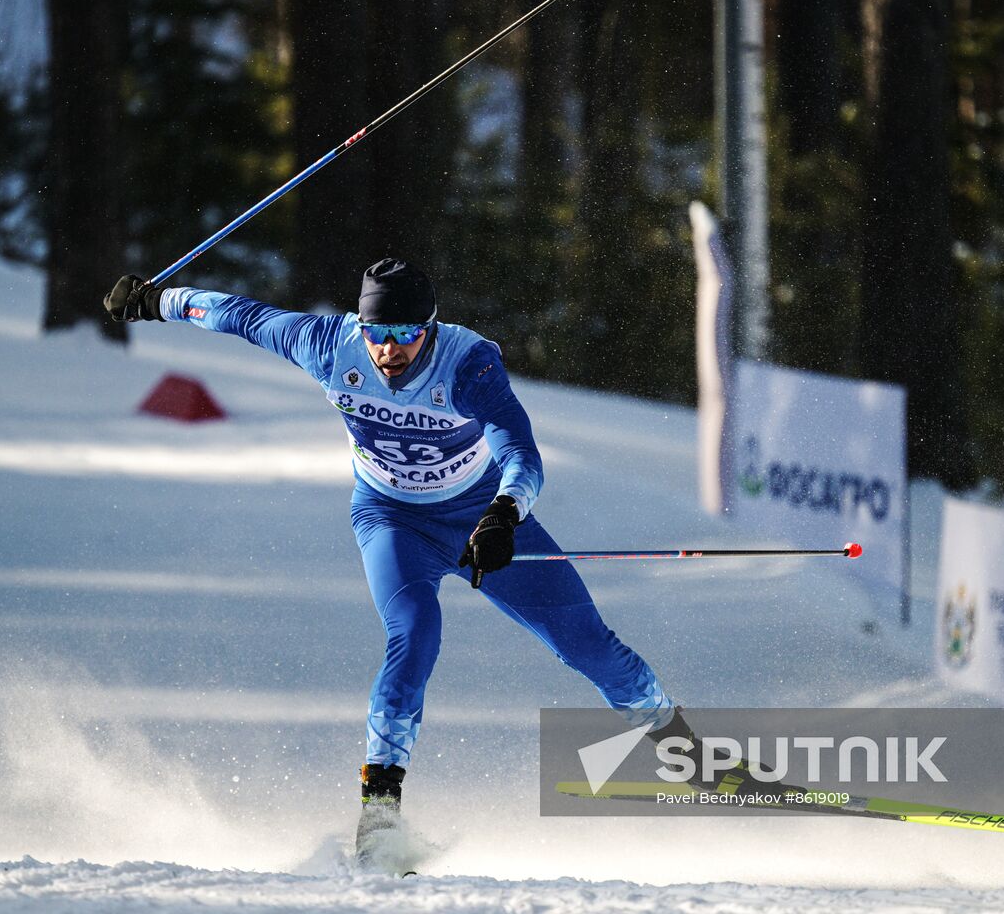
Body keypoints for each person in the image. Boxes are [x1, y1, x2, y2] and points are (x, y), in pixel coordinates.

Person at [105, 259, 687, 860]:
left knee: (588, 645)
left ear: (430, 328)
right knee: (414, 633)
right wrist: (158, 301)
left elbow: (521, 451)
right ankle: (380, 817)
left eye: (406, 335)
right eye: (377, 333)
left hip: (480, 519)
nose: (388, 350)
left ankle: (685, 751)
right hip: (392, 519)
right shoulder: (330, 346)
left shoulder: (468, 363)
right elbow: (240, 316)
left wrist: (504, 514)